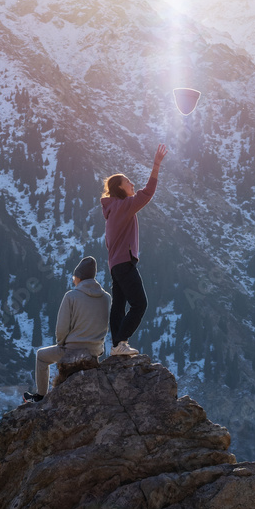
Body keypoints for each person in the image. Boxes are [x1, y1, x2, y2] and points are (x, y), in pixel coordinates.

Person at [102, 143, 168, 356]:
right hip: (124, 263)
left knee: (119, 306)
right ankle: (121, 342)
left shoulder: (112, 210)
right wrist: (156, 165)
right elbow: (147, 193)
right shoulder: (125, 205)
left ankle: (116, 347)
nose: (132, 184)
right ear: (121, 188)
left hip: (115, 265)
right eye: (128, 182)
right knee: (140, 304)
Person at [24, 256, 111, 402]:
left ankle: (40, 396)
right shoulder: (106, 297)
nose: (73, 280)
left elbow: (62, 328)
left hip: (73, 350)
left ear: (79, 277)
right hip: (95, 351)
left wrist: (61, 343)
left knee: (41, 356)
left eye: (74, 277)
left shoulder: (71, 296)